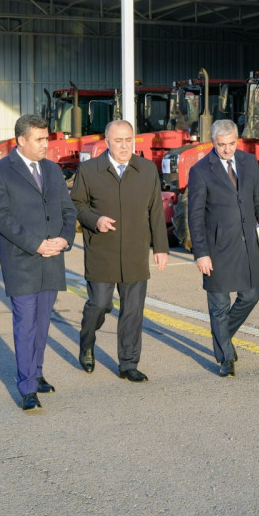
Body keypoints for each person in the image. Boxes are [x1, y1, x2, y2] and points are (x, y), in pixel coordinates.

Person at [0, 114, 76, 412]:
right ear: (21, 140)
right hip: (22, 260)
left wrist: (63, 239)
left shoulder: (52, 170)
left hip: (52, 259)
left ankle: (36, 374)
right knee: (25, 324)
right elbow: (1, 217)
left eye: (46, 138)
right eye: (39, 139)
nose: (45, 144)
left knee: (42, 322)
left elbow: (67, 209)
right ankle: (26, 387)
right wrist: (36, 244)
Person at [71, 119, 169, 382]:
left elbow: (156, 211)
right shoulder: (89, 171)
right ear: (107, 142)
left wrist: (160, 247)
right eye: (118, 141)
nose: (124, 146)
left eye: (128, 140)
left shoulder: (147, 169)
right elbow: (76, 205)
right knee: (100, 304)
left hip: (136, 252)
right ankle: (87, 343)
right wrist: (95, 220)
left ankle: (128, 363)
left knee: (133, 311)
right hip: (102, 251)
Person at [187, 119, 259, 377]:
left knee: (251, 296)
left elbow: (258, 198)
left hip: (246, 243)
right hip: (217, 247)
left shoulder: (248, 162)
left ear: (238, 140)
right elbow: (195, 215)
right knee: (219, 305)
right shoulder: (200, 170)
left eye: (231, 143)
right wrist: (201, 253)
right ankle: (225, 357)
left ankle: (222, 335)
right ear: (213, 143)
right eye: (221, 145)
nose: (227, 149)